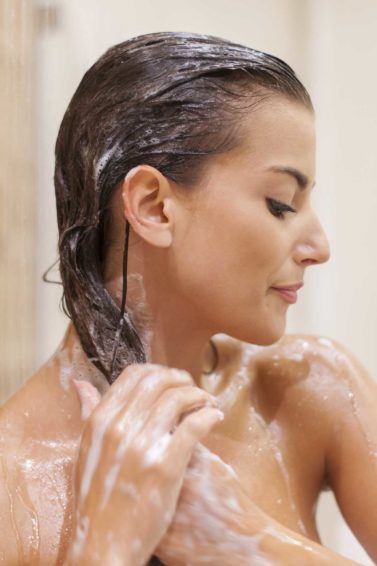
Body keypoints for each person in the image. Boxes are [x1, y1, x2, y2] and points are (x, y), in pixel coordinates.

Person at [1, 30, 376, 565]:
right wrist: (104, 550)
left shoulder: (311, 391)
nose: (319, 247)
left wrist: (242, 538)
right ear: (153, 206)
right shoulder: (12, 481)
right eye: (280, 203)